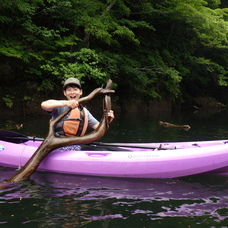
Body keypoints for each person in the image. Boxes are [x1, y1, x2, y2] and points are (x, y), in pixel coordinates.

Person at [41, 77, 114, 137]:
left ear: (81, 92)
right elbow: (44, 105)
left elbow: (99, 128)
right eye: (69, 90)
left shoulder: (85, 112)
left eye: (75, 90)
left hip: (75, 143)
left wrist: (107, 120)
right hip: (56, 143)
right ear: (65, 93)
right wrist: (66, 103)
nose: (72, 92)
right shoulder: (60, 106)